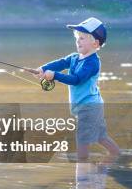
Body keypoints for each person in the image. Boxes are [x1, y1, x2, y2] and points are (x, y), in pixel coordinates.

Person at [35, 17, 120, 160]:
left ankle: (82, 174)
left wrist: (54, 76)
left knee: (82, 141)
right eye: (77, 37)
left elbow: (76, 80)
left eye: (82, 38)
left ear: (96, 43)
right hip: (88, 106)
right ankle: (116, 156)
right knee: (100, 136)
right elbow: (60, 63)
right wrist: (43, 69)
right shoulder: (74, 58)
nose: (78, 41)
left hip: (90, 107)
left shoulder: (92, 63)